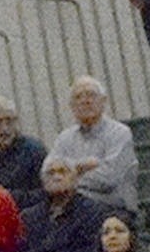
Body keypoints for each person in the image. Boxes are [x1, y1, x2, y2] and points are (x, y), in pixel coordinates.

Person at [48, 76, 139, 214]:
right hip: (74, 207)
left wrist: (68, 179)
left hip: (113, 210)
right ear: (72, 106)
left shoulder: (120, 133)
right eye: (78, 97)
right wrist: (83, 165)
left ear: (103, 101)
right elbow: (48, 173)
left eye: (91, 95)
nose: (85, 101)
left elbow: (108, 178)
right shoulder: (64, 138)